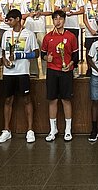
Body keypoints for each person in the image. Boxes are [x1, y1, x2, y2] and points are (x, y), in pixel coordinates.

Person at [0, 9, 39, 144]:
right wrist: (5, 61)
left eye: (10, 19)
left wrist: (21, 55)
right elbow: (3, 52)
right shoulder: (6, 34)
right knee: (8, 100)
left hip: (23, 72)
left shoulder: (29, 34)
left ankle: (30, 130)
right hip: (8, 72)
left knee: (27, 99)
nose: (8, 22)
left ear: (18, 19)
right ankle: (6, 130)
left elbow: (36, 53)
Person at [41, 10, 79, 142]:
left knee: (66, 100)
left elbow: (75, 56)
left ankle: (68, 130)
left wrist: (71, 64)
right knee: (52, 100)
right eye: (55, 19)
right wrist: (47, 58)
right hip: (52, 71)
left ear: (64, 20)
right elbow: (42, 55)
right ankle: (53, 129)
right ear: (52, 21)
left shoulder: (71, 36)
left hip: (66, 71)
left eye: (60, 19)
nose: (58, 21)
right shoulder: (47, 37)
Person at [54, 0, 85, 78]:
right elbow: (56, 10)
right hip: (63, 26)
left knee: (74, 48)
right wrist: (64, 10)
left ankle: (75, 67)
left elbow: (82, 10)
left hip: (74, 26)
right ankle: (63, 65)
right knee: (64, 47)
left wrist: (73, 12)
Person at [23, 0, 52, 78]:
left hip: (40, 28)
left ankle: (45, 71)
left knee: (43, 50)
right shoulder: (26, 0)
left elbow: (50, 12)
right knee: (31, 50)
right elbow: (22, 15)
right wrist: (29, 14)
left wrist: (41, 13)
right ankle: (33, 71)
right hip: (29, 27)